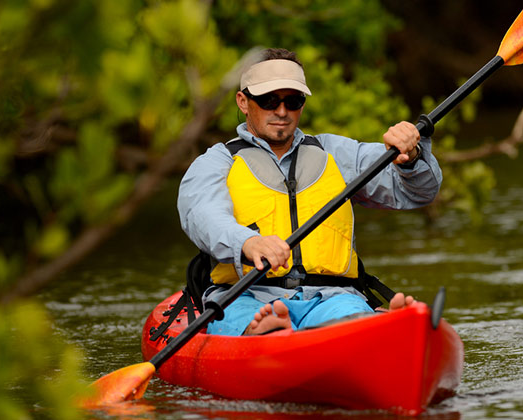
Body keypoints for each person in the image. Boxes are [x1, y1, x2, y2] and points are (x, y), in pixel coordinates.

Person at [177, 48, 442, 336]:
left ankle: (373, 328)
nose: (281, 111)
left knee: (348, 313)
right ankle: (266, 332)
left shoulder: (335, 153)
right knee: (250, 317)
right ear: (243, 101)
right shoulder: (217, 162)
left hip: (332, 298)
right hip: (245, 297)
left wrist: (411, 157)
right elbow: (202, 215)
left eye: (292, 101)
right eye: (268, 100)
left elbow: (418, 192)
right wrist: (247, 243)